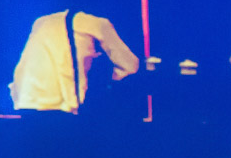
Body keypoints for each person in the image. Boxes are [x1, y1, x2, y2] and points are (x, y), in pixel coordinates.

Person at [9, 10, 139, 112]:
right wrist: (106, 77)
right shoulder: (96, 23)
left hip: (27, 105)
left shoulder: (41, 22)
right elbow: (130, 66)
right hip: (63, 110)